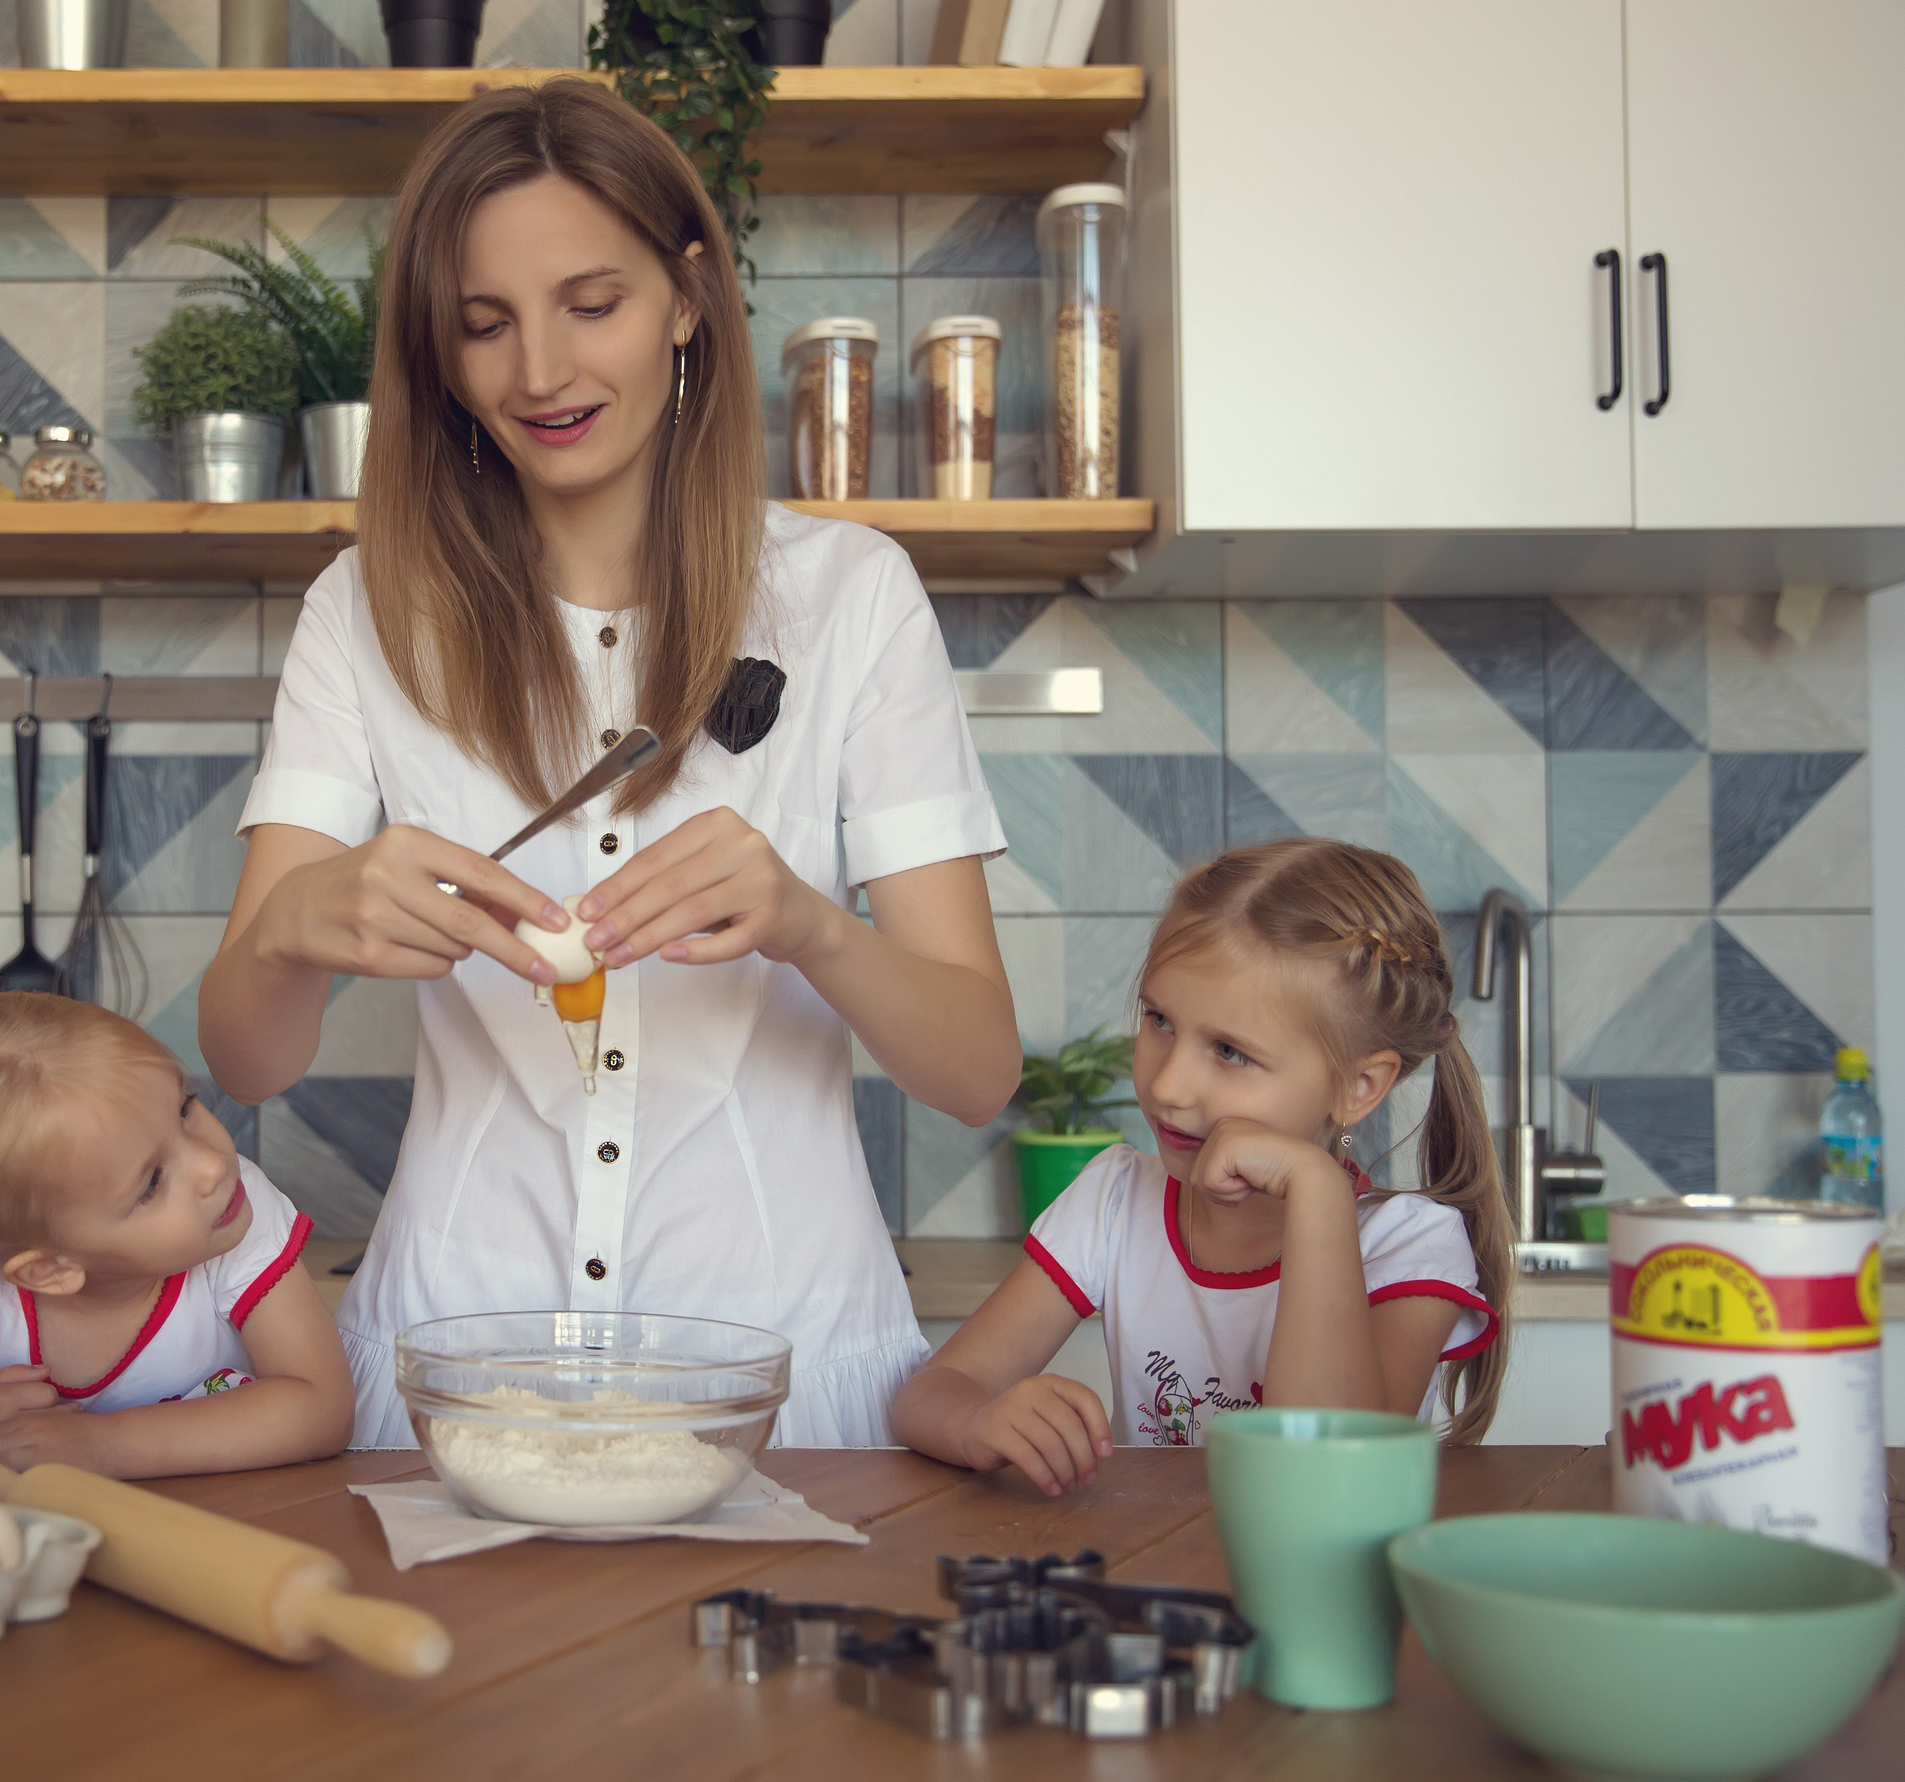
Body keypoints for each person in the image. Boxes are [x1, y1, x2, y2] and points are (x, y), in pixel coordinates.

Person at [198, 80, 1020, 1447]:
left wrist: (810, 924)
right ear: (439, 354)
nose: (540, 372)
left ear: (686, 296)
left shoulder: (851, 594)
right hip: (454, 1367)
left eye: (592, 304)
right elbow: (246, 1058)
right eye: (484, 325)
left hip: (788, 1370)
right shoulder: (365, 610)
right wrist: (292, 931)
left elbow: (978, 1070)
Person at [893, 839, 1511, 1492]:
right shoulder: (1114, 1201)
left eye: (1230, 1052)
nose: (1168, 1086)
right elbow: (931, 1393)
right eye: (1160, 1019)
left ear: (1359, 1087)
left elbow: (1325, 1480)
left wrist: (1318, 1191)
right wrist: (977, 1420)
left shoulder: (1410, 1247)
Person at [0, 988, 354, 1479]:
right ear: (49, 1269)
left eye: (184, 1109)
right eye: (152, 1182)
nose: (214, 1165)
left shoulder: (238, 1216)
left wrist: (103, 1445)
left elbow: (322, 1407)